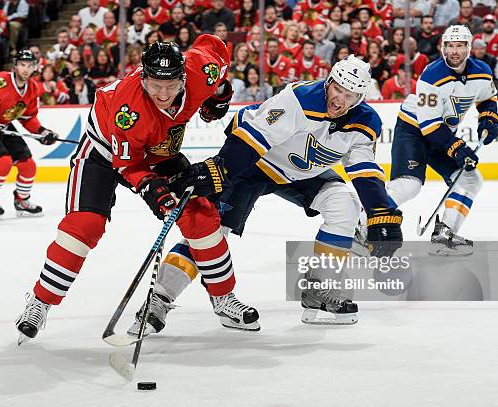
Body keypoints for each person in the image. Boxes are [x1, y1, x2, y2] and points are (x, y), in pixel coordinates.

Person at [129, 55, 403, 335]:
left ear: (360, 97)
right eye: (337, 90)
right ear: (328, 82)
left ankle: (319, 287)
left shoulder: (367, 121)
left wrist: (381, 211)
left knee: (343, 206)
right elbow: (253, 138)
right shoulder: (300, 99)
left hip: (300, 174)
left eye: (349, 95)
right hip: (254, 161)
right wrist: (220, 168)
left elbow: (364, 169)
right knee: (210, 230)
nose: (338, 100)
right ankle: (159, 299)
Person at [15, 37, 260, 345]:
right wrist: (150, 188)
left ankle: (224, 299)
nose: (163, 94)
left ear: (185, 76)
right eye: (155, 85)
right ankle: (41, 301)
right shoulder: (127, 109)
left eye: (170, 85)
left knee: (201, 216)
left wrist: (220, 93)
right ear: (143, 77)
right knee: (83, 227)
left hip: (160, 152)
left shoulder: (203, 70)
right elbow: (128, 166)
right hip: (103, 154)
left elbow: (216, 48)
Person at [387, 25, 498, 255]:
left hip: (442, 134)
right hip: (413, 129)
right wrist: (458, 149)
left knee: (470, 180)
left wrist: (489, 119)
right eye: (450, 46)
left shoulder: (483, 71)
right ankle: (360, 223)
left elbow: (488, 98)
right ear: (442, 48)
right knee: (409, 185)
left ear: (468, 48)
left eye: (459, 46)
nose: (454, 51)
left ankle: (444, 236)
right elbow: (429, 126)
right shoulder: (432, 75)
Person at [0, 50, 59, 219]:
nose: (25, 69)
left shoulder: (32, 88)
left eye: (30, 66)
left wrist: (42, 132)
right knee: (3, 163)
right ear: (15, 66)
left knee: (28, 165)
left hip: (4, 126)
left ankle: (22, 201)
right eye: (22, 64)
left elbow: (28, 118)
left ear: (35, 68)